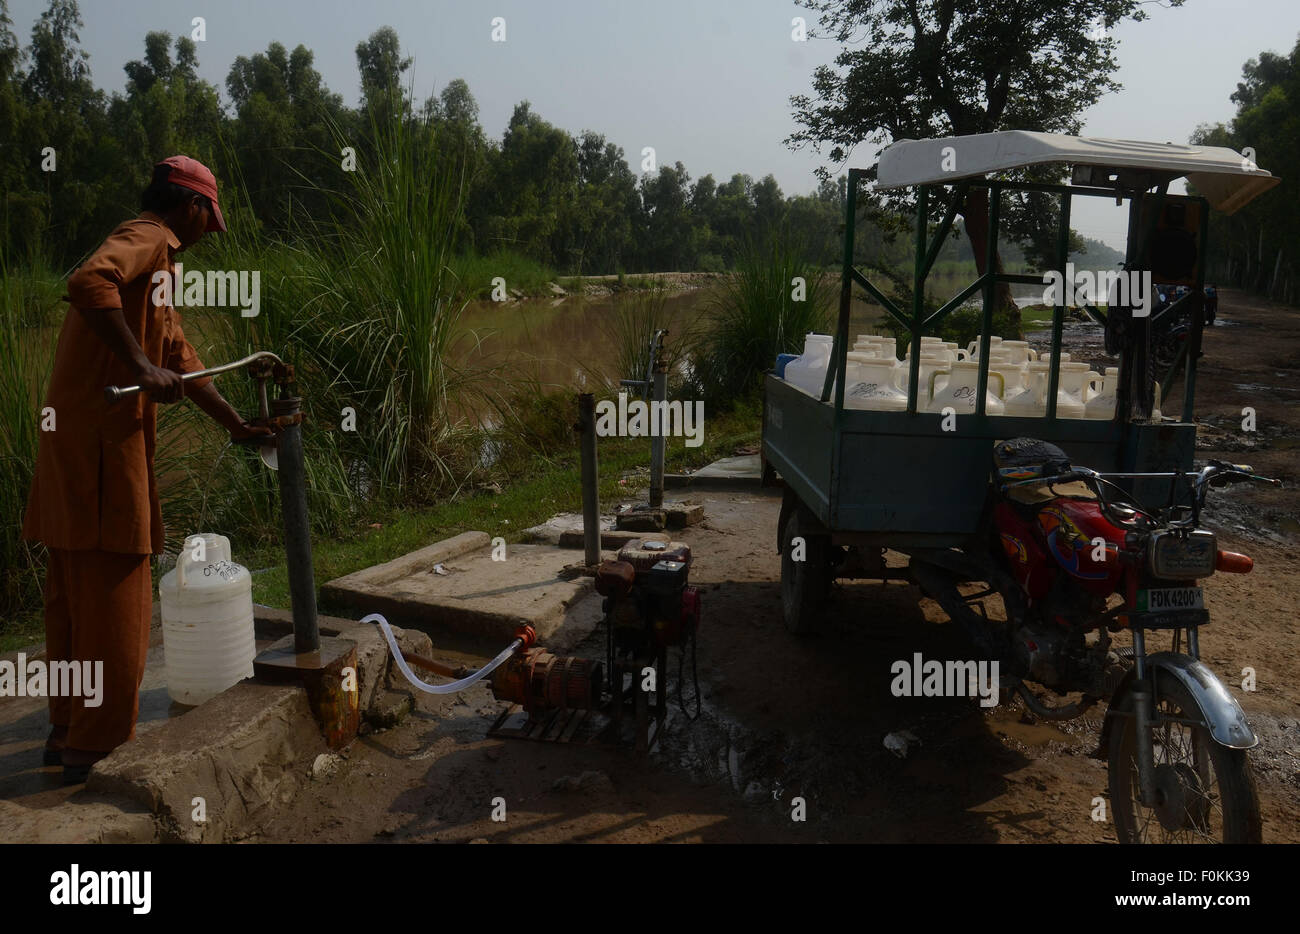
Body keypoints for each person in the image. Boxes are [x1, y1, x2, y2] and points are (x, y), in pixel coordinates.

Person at [21, 155, 272, 784]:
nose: (205, 235)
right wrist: (136, 365)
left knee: (73, 595)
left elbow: (178, 360)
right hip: (106, 449)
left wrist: (236, 424)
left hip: (73, 447)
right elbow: (87, 282)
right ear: (187, 204)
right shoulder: (150, 239)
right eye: (206, 221)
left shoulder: (161, 268)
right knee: (116, 596)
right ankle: (96, 749)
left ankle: (65, 729)